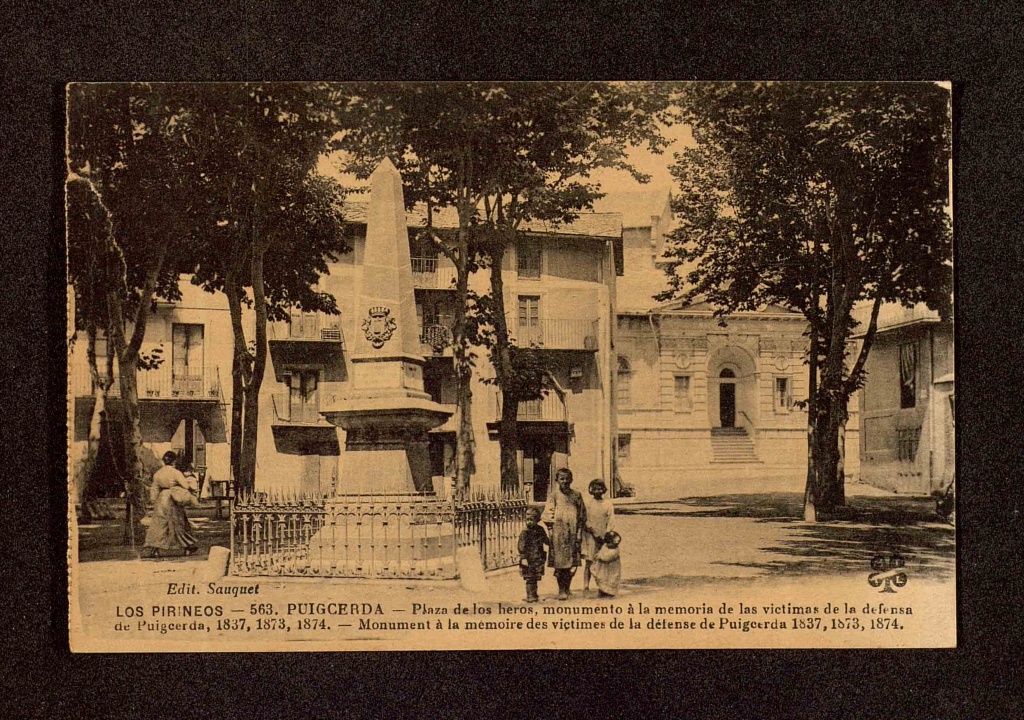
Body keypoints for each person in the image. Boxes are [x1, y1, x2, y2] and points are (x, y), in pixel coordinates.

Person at [143, 451, 199, 558]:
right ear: (174, 461)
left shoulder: (158, 473)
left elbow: (154, 489)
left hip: (161, 498)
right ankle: (187, 547)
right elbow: (186, 486)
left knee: (159, 524)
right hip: (173, 497)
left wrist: (153, 500)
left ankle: (155, 549)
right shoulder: (175, 472)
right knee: (178, 523)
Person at [542, 468, 587, 601]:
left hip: (573, 533)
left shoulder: (577, 495)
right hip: (558, 534)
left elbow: (582, 515)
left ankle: (567, 588)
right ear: (557, 480)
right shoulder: (554, 495)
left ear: (571, 479)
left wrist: (579, 532)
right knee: (560, 562)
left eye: (567, 478)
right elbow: (548, 513)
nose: (565, 481)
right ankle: (561, 590)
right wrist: (550, 532)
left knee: (572, 562)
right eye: (562, 479)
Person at [582, 478, 615, 592]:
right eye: (594, 489)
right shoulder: (588, 503)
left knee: (603, 562)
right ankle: (586, 585)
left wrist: (607, 534)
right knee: (589, 561)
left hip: (603, 537)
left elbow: (611, 521)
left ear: (603, 490)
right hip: (591, 536)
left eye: (600, 489)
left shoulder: (607, 504)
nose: (597, 491)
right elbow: (585, 519)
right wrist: (593, 532)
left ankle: (603, 586)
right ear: (591, 490)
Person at [517, 507, 549, 603]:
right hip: (528, 559)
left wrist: (550, 543)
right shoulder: (525, 532)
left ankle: (534, 594)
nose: (529, 522)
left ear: (537, 520)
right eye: (527, 520)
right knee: (529, 578)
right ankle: (530, 595)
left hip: (538, 558)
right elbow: (521, 546)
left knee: (535, 577)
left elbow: (545, 539)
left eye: (531, 520)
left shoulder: (540, 529)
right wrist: (523, 558)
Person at [592, 530, 622, 597]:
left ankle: (609, 593)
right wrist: (598, 554)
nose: (611, 545)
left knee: (611, 580)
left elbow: (606, 558)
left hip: (612, 569)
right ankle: (602, 590)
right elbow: (602, 551)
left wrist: (599, 556)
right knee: (602, 578)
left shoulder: (615, 551)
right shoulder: (605, 545)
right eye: (609, 543)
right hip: (603, 568)